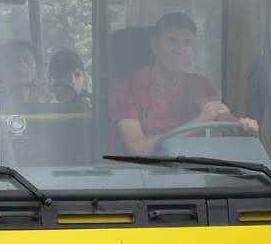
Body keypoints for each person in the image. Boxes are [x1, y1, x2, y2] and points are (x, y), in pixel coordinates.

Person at [109, 11, 257, 156]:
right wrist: (199, 122)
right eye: (171, 41)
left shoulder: (198, 84)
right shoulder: (125, 86)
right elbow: (138, 149)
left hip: (184, 174)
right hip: (133, 176)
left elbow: (217, 111)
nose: (180, 50)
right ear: (155, 45)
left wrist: (238, 126)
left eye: (187, 42)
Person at [0, 39, 54, 106]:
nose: (21, 64)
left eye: (27, 60)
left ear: (37, 70)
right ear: (3, 68)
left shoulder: (48, 101)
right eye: (14, 60)